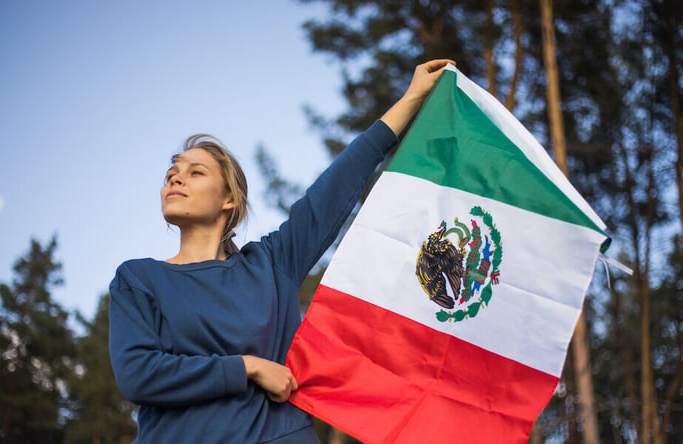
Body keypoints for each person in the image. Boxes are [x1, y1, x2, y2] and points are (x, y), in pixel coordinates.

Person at [108, 59, 455, 443]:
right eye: (172, 171)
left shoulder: (271, 265)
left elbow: (332, 192)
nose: (176, 176)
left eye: (196, 172)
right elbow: (138, 374)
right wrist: (247, 368)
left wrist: (411, 98)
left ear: (228, 200)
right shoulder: (138, 279)